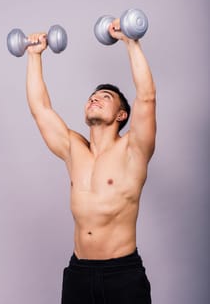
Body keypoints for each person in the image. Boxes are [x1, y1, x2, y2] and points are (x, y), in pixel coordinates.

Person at [26, 18, 156, 304]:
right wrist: (34, 57)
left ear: (122, 115)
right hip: (79, 273)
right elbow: (40, 109)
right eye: (92, 96)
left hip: (123, 274)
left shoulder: (134, 150)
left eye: (105, 96)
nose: (95, 99)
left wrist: (130, 41)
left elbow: (146, 98)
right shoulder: (74, 150)